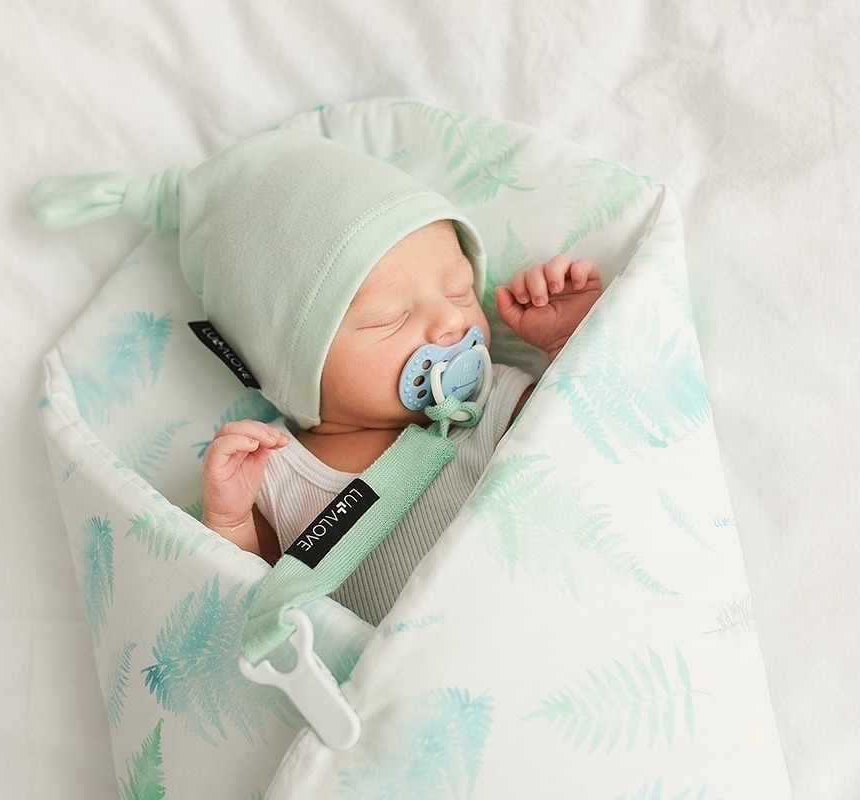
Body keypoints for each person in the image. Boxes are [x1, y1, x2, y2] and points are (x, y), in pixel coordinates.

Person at [202, 218, 601, 622]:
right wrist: (231, 524)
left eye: (459, 291)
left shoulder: (498, 399)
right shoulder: (269, 470)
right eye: (389, 317)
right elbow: (253, 607)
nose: (451, 319)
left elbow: (585, 442)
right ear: (296, 368)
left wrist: (569, 342)